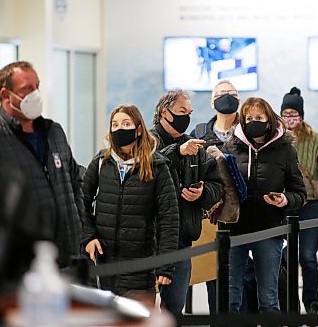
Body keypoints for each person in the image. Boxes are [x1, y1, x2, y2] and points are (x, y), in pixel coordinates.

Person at [0, 61, 84, 269]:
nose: (35, 94)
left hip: (70, 258)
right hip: (23, 267)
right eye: (27, 89)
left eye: (37, 86)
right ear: (6, 95)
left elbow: (74, 181)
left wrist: (81, 225)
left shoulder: (54, 132)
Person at [81, 105, 179, 301]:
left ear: (139, 129)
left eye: (126, 124)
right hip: (102, 267)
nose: (119, 129)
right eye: (115, 125)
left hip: (139, 271)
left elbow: (169, 218)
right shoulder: (101, 162)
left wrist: (165, 266)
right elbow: (80, 201)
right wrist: (88, 236)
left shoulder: (157, 166)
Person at [222, 97, 307, 314]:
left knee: (268, 298)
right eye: (248, 118)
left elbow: (299, 192)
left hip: (270, 230)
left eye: (258, 118)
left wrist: (285, 199)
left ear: (269, 120)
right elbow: (219, 186)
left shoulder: (285, 149)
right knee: (231, 296)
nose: (253, 122)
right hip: (235, 231)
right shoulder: (230, 146)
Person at [151, 90, 224, 315]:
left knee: (174, 308)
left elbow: (217, 185)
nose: (187, 117)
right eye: (182, 112)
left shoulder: (194, 147)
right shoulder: (146, 141)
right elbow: (145, 171)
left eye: (189, 112)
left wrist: (202, 193)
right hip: (148, 239)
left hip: (182, 239)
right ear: (165, 112)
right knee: (140, 308)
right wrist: (177, 152)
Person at [280, 87, 318, 314]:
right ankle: (289, 303)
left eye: (294, 114)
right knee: (285, 257)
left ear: (301, 116)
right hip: (283, 206)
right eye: (285, 114)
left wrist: (317, 188)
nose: (290, 118)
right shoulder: (275, 139)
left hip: (310, 206)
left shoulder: (316, 139)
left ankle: (312, 302)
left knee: (307, 256)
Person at [189, 80, 241, 313]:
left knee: (244, 277)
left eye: (231, 93)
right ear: (212, 101)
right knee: (215, 277)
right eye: (221, 94)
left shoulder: (249, 130)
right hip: (212, 216)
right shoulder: (200, 133)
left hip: (245, 216)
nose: (227, 97)